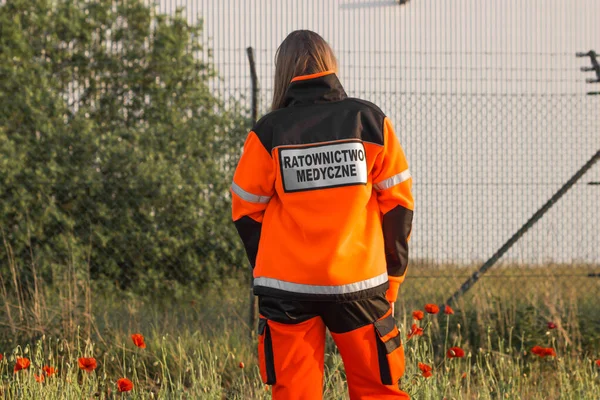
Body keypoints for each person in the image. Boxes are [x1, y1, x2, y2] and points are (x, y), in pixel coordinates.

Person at [231, 30, 414, 400]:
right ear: (331, 64)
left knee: (295, 393)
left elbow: (246, 210)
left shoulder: (269, 131)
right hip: (359, 285)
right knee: (379, 391)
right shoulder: (369, 121)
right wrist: (392, 280)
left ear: (282, 72)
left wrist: (270, 265)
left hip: (287, 289)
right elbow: (398, 206)